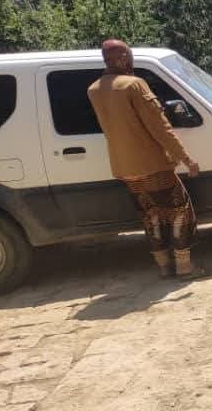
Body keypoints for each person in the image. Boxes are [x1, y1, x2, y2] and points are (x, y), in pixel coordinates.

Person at [87, 39, 205, 280]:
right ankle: (184, 266)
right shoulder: (134, 85)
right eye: (128, 55)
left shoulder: (94, 90)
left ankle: (163, 266)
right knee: (180, 211)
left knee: (151, 215)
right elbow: (160, 127)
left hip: (124, 168)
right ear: (122, 58)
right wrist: (185, 158)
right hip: (152, 165)